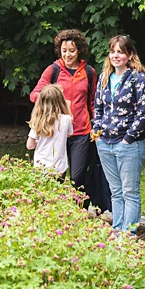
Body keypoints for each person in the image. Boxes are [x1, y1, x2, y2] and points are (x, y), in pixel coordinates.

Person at [30, 29, 109, 210]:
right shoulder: (53, 70)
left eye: (71, 50)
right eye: (64, 50)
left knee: (78, 176)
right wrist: (52, 100)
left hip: (81, 130)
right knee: (55, 175)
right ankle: (54, 210)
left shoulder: (88, 72)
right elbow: (35, 94)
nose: (67, 54)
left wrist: (96, 126)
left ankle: (79, 211)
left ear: (79, 50)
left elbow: (93, 101)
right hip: (55, 131)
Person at [92, 35, 145, 232]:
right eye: (112, 52)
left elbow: (144, 112)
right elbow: (98, 108)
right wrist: (97, 133)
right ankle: (117, 230)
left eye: (120, 52)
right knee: (115, 191)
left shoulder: (138, 78)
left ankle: (129, 232)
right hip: (104, 142)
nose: (116, 56)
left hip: (128, 143)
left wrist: (129, 138)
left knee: (130, 191)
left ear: (130, 55)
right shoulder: (104, 77)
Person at [26, 84, 73, 178]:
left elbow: (30, 146)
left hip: (41, 166)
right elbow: (69, 134)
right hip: (59, 167)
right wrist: (68, 108)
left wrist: (38, 141)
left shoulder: (38, 121)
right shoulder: (67, 119)